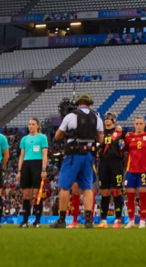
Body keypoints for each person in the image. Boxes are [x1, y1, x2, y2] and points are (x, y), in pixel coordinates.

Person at [52, 94, 102, 229]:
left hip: (74, 154)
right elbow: (101, 139)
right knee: (87, 187)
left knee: (65, 186)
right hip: (89, 155)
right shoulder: (96, 117)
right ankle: (88, 221)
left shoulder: (71, 116)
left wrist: (69, 133)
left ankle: (62, 220)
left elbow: (57, 136)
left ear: (78, 103)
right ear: (89, 103)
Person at [16, 117, 48, 228]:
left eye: (33, 124)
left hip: (37, 164)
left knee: (36, 194)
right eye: (29, 124)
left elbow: (44, 154)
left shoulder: (42, 137)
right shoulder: (24, 139)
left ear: (38, 126)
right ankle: (25, 221)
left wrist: (43, 169)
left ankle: (37, 221)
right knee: (26, 195)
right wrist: (19, 171)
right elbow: (21, 156)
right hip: (26, 165)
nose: (30, 126)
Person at [97, 112, 124, 228]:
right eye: (105, 118)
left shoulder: (119, 133)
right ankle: (103, 221)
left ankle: (118, 220)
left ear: (114, 120)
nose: (107, 120)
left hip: (116, 164)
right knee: (105, 193)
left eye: (109, 118)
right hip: (103, 164)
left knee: (117, 192)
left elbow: (123, 147)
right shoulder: (100, 133)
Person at [123, 116, 146, 228]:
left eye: (141, 124)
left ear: (144, 125)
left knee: (143, 195)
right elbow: (123, 149)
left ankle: (143, 221)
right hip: (131, 170)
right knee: (130, 196)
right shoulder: (129, 137)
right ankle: (131, 221)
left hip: (143, 170)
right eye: (137, 124)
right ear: (134, 125)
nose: (139, 126)